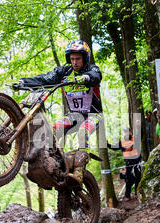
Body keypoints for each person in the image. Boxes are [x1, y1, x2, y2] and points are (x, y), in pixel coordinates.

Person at [14, 40, 103, 185]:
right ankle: (54, 165)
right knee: (52, 131)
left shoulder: (92, 70)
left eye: (78, 59)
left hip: (93, 115)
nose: (75, 62)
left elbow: (95, 76)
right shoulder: (64, 72)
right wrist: (24, 82)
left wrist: (84, 78)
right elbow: (46, 78)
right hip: (74, 115)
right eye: (72, 59)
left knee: (83, 131)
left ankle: (79, 173)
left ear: (85, 58)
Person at [108, 128, 142, 201]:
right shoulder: (122, 141)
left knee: (138, 177)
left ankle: (137, 193)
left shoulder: (135, 139)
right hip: (128, 163)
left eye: (128, 132)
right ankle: (127, 195)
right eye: (125, 132)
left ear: (130, 132)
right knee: (128, 179)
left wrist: (138, 160)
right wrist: (107, 144)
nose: (126, 134)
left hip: (136, 161)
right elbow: (114, 147)